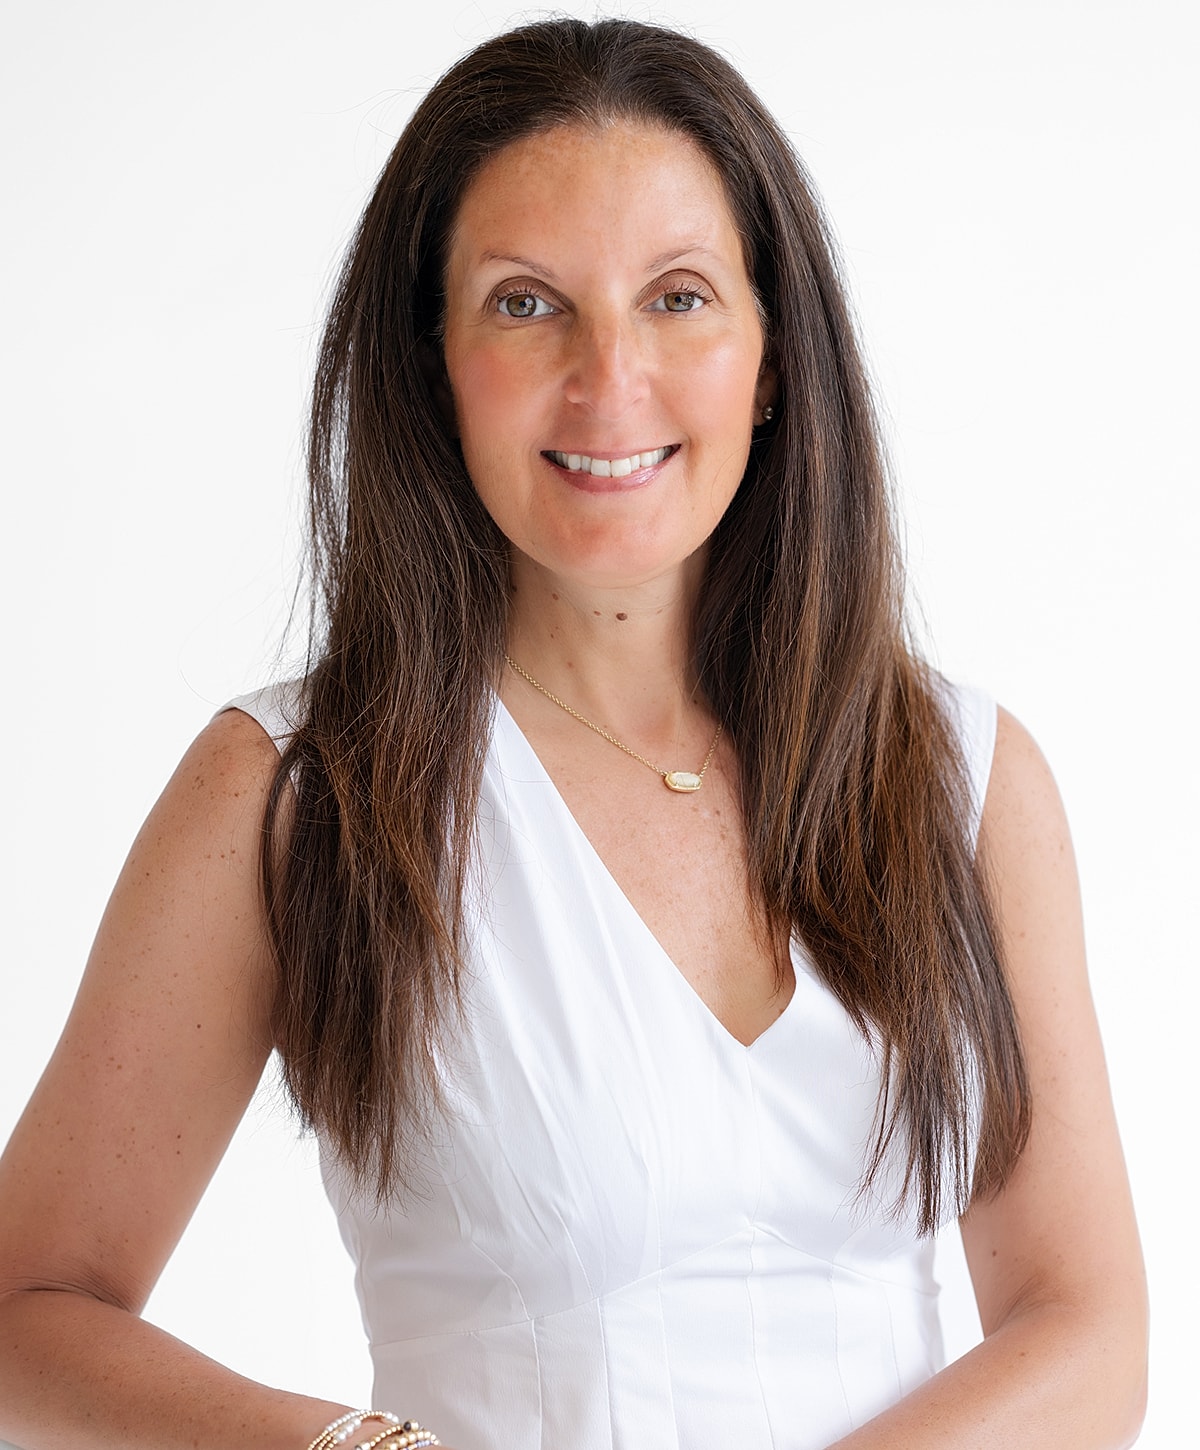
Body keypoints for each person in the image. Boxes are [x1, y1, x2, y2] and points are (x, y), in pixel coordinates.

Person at [0, 16, 1147, 1450]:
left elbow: (1084, 1323)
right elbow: (27, 1305)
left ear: (771, 354)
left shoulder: (962, 778)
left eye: (677, 297)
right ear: (432, 362)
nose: (612, 381)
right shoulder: (297, 792)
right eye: (528, 304)